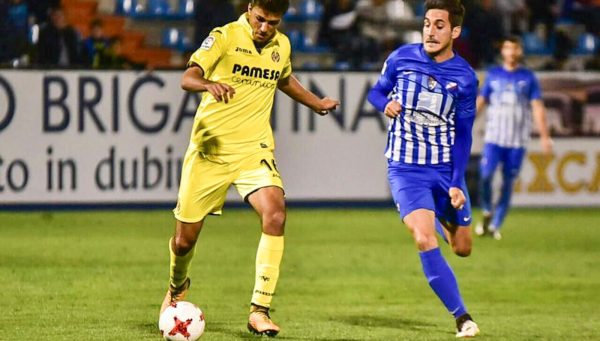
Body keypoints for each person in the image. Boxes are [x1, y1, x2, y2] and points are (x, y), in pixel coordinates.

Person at [159, 0, 339, 337]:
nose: (265, 28)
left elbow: (283, 79)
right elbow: (188, 76)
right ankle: (176, 286)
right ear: (250, 8)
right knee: (184, 242)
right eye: (260, 19)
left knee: (275, 214)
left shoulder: (281, 45)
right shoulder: (224, 37)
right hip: (210, 151)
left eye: (274, 22)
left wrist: (316, 103)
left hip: (253, 151)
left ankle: (260, 310)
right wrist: (207, 84)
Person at [367, 0, 480, 337]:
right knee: (423, 236)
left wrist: (458, 181)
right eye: (427, 23)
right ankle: (463, 317)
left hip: (445, 170)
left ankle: (441, 217)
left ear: (455, 31)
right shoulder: (402, 58)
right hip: (406, 169)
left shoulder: (465, 78)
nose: (431, 31)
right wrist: (384, 103)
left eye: (440, 25)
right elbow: (375, 92)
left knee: (462, 248)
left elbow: (463, 133)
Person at [475, 36, 552, 240]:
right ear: (503, 51)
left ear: (520, 51)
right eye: (507, 47)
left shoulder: (528, 78)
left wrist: (545, 136)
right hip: (494, 138)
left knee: (508, 183)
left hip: (517, 141)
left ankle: (495, 225)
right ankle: (486, 210)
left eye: (515, 47)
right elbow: (481, 102)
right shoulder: (493, 75)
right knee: (485, 175)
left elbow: (537, 107)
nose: (511, 51)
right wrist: (464, 125)